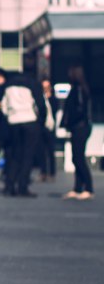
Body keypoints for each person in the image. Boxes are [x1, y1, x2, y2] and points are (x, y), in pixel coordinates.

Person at [0, 69, 46, 198]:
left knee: (15, 155)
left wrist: (9, 116)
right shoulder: (32, 84)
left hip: (13, 122)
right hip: (30, 121)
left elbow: (2, 105)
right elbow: (41, 104)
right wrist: (41, 122)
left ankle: (9, 185)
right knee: (28, 156)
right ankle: (23, 186)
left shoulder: (8, 85)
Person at [61, 66, 94, 200]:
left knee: (78, 157)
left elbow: (78, 110)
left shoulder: (79, 90)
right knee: (76, 157)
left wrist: (68, 122)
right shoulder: (79, 89)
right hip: (79, 127)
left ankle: (88, 188)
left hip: (80, 127)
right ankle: (78, 187)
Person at [38, 79, 59, 182]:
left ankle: (52, 172)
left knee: (51, 151)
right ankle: (43, 172)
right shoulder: (40, 99)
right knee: (41, 151)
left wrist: (48, 98)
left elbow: (55, 110)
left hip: (50, 127)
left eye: (47, 87)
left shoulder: (54, 99)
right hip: (42, 127)